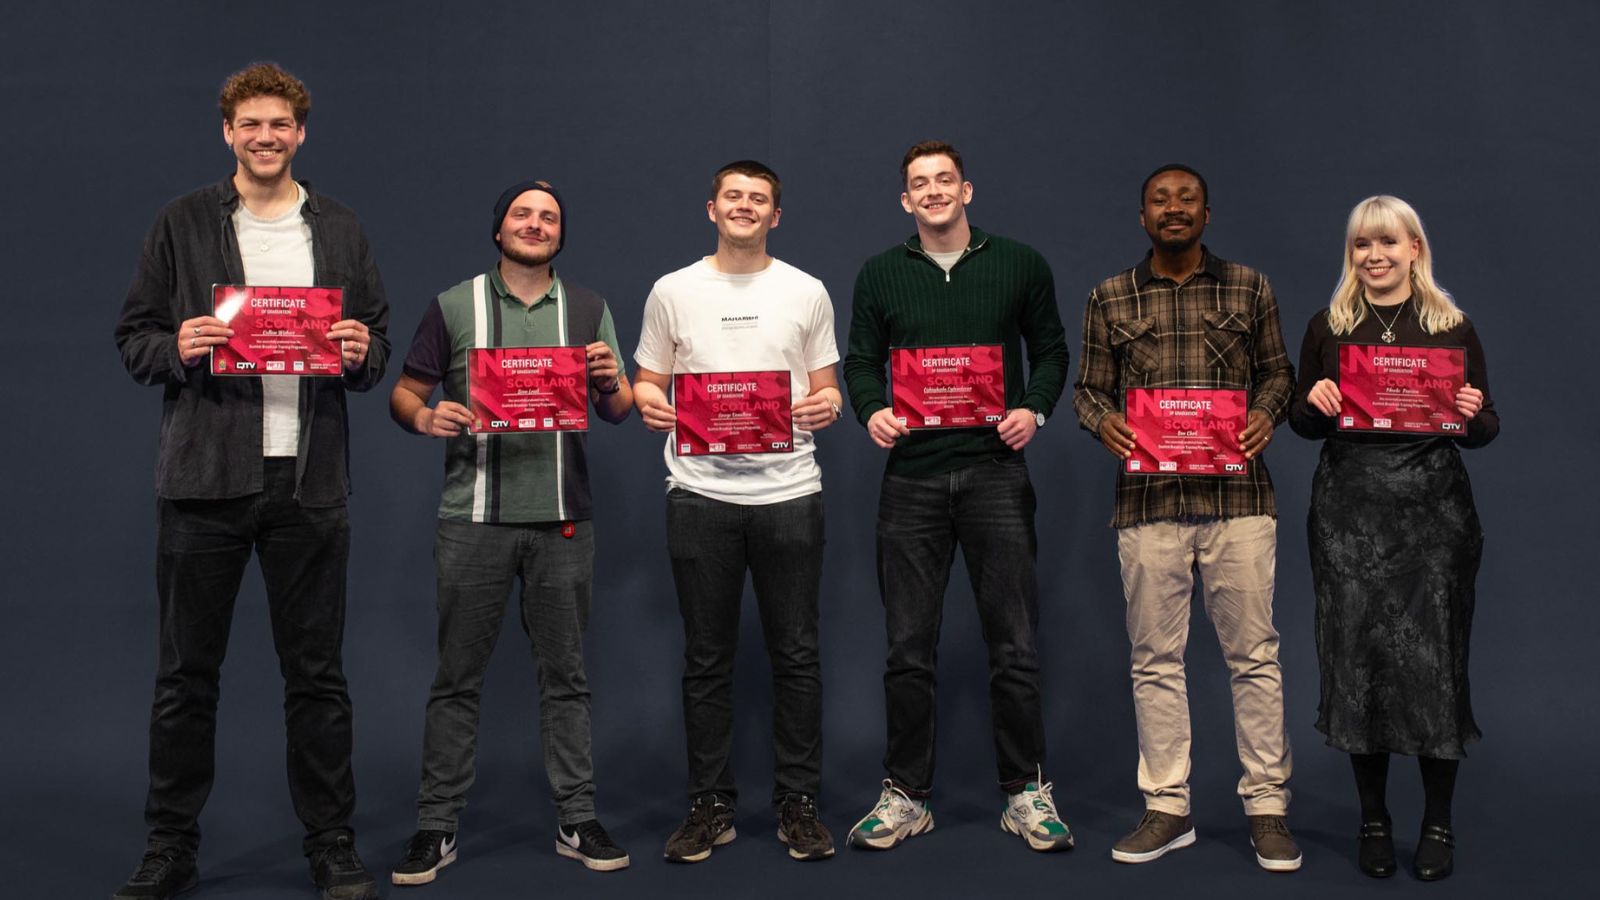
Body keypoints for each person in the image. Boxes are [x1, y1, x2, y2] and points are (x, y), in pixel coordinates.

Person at [111, 62, 388, 900]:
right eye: (250, 125)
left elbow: (371, 342)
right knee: (185, 676)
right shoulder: (183, 222)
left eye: (280, 125)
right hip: (205, 481)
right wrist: (178, 347)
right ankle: (169, 847)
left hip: (309, 485)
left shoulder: (337, 227)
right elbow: (133, 338)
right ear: (227, 133)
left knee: (317, 676)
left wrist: (358, 352)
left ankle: (332, 842)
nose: (265, 137)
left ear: (301, 134)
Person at [386, 180, 635, 885]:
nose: (536, 224)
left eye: (549, 217)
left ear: (561, 234)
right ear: (498, 230)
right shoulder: (452, 304)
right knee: (456, 680)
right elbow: (406, 393)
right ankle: (435, 826)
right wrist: (424, 417)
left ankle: (576, 817)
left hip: (562, 519)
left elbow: (615, 409)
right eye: (522, 214)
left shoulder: (588, 308)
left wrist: (613, 379)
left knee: (567, 678)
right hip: (473, 521)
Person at [842, 140, 1074, 853]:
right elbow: (859, 362)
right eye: (920, 184)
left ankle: (1026, 794)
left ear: (967, 191)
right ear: (905, 201)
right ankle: (907, 795)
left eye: (946, 180)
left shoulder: (1020, 263)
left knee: (1016, 645)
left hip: (995, 474)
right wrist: (870, 408)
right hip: (910, 478)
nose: (935, 191)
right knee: (908, 648)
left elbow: (1053, 349)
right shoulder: (881, 273)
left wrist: (1032, 408)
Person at [1072, 163, 1300, 872]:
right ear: (1142, 217)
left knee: (1255, 658)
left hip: (1238, 505)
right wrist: (1104, 422)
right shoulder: (1109, 296)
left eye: (1187, 199)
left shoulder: (1250, 287)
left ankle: (1266, 807)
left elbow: (1280, 373)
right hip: (1149, 509)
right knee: (1154, 661)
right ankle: (1169, 807)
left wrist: (1265, 413)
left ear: (1208, 212)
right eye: (1160, 200)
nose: (1174, 209)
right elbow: (1086, 390)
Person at [633, 160, 842, 863]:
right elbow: (646, 382)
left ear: (775, 215)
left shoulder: (806, 290)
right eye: (734, 196)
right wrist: (647, 401)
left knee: (798, 656)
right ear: (712, 208)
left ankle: (798, 804)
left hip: (789, 493)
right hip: (699, 496)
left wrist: (829, 404)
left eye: (759, 199)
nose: (745, 206)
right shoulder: (672, 290)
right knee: (705, 660)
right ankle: (710, 805)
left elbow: (827, 390)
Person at [1289, 195, 1497, 881]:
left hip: (1434, 518)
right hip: (1349, 515)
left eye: (1387, 242)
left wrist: (1471, 414)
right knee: (1360, 663)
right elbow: (1302, 421)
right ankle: (1373, 819)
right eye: (1360, 245)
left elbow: (1487, 427)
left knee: (1436, 663)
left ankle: (1439, 824)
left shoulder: (1453, 327)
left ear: (1415, 248)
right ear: (1351, 254)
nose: (1373, 256)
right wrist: (1314, 404)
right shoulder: (1330, 325)